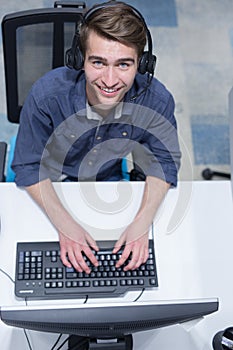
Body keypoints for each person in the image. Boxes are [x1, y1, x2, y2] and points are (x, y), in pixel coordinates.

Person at [12, 1, 181, 273]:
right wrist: (66, 226)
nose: (110, 80)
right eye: (98, 62)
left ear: (142, 64)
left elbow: (164, 159)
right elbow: (29, 166)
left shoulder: (156, 101)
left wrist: (141, 224)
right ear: (79, 60)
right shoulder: (47, 95)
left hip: (106, 173)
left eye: (124, 64)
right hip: (49, 173)